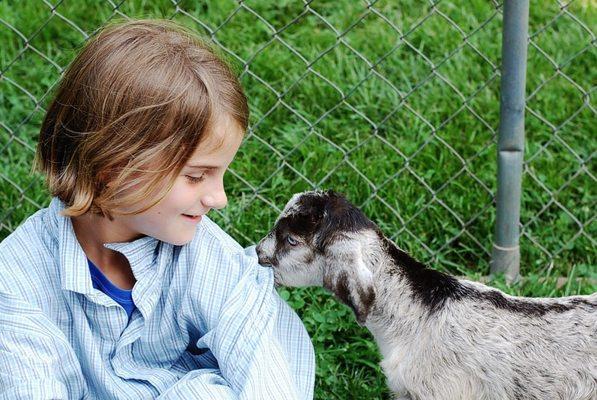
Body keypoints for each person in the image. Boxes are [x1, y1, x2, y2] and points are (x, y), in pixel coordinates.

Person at [0, 19, 315, 399]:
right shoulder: (18, 279)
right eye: (197, 176)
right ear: (112, 168)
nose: (219, 197)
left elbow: (262, 366)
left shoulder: (206, 257)